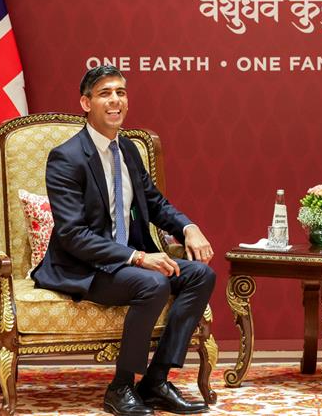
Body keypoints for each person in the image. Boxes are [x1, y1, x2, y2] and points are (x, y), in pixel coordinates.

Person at [33, 65, 215, 416]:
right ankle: (120, 387)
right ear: (85, 103)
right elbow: (73, 235)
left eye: (121, 92)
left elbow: (156, 203)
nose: (115, 100)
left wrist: (188, 227)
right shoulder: (66, 158)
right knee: (152, 283)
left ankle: (156, 381)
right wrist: (137, 257)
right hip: (84, 265)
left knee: (200, 275)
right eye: (105, 93)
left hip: (125, 260)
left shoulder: (128, 149)